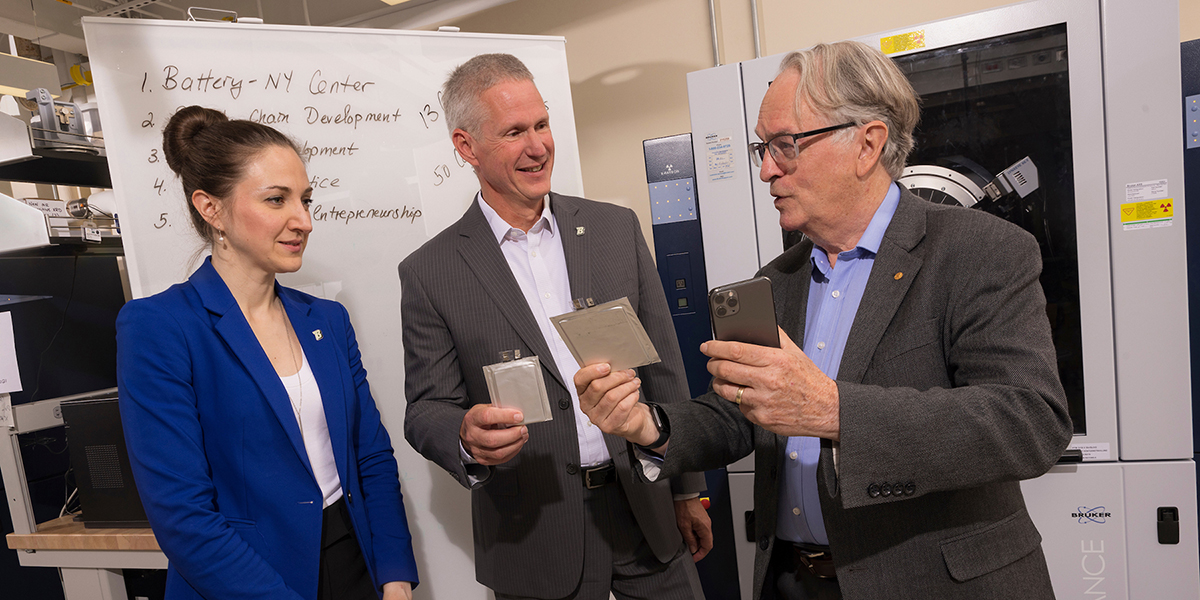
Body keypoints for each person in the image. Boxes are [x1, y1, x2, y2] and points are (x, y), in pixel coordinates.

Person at [575, 41, 1073, 600]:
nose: (766, 170)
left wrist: (834, 411)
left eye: (785, 145)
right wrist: (648, 427)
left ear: (867, 143)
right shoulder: (774, 280)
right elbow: (739, 415)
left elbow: (1030, 422)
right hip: (794, 581)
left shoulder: (979, 250)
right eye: (761, 148)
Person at [399, 54, 710, 600]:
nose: (537, 145)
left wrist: (687, 490)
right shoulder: (431, 271)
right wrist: (464, 438)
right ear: (466, 146)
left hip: (647, 515)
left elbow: (663, 367)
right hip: (534, 537)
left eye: (541, 124)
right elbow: (426, 407)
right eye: (514, 131)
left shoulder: (614, 229)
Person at [117, 106, 418, 600]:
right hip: (243, 580)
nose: (303, 220)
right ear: (211, 209)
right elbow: (183, 516)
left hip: (354, 563)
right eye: (277, 200)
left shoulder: (326, 319)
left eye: (305, 200)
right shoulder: (160, 327)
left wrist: (395, 576)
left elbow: (371, 456)